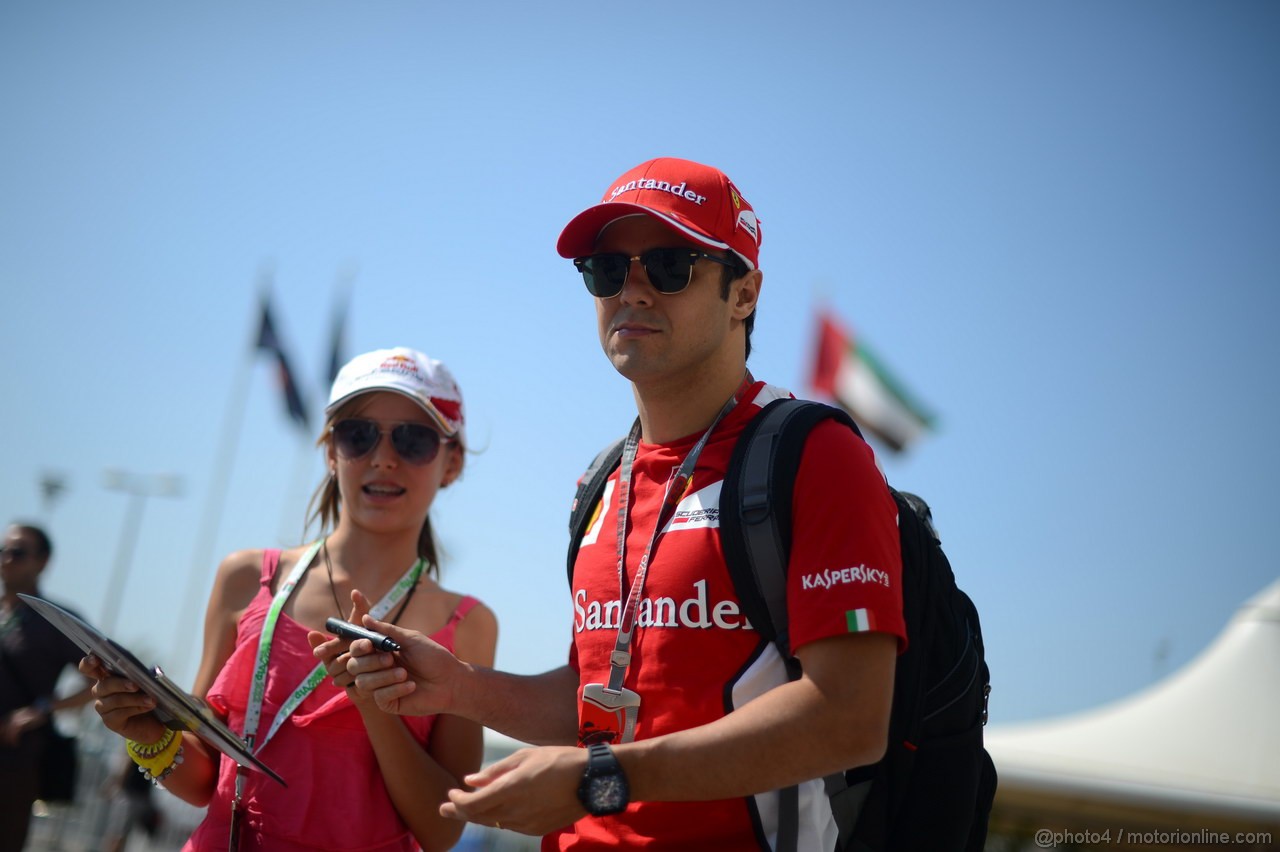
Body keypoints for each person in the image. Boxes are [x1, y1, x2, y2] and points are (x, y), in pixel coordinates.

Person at [337, 158, 906, 850]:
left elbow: (848, 717)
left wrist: (598, 780)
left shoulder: (816, 455)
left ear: (744, 294)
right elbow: (595, 693)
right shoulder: (601, 481)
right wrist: (458, 687)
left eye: (669, 265)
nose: (632, 290)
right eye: (607, 271)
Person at [81, 347, 498, 852]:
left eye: (414, 439)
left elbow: (442, 829)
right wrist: (147, 734)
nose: (383, 457)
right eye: (358, 435)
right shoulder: (246, 577)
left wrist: (375, 706)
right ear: (330, 450)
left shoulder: (468, 624)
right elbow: (204, 780)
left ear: (451, 462)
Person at [0, 523, 93, 852]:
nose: (7, 560)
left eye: (18, 553)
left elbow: (98, 680)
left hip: (14, 760)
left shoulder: (55, 620)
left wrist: (42, 710)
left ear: (42, 561)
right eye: (4, 551)